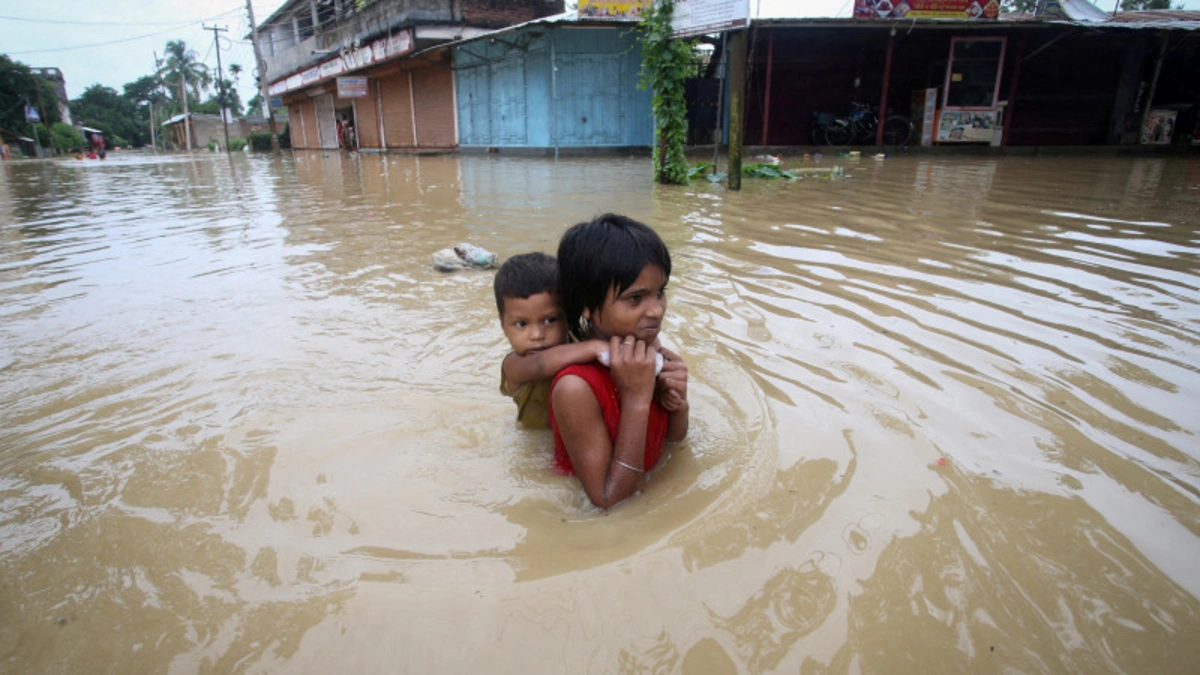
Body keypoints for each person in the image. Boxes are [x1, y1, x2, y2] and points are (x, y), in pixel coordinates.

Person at [550, 214, 689, 510]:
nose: (656, 310)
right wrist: (637, 399)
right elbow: (609, 502)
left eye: (660, 293)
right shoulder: (575, 387)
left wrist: (679, 403)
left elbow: (672, 444)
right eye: (635, 298)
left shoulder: (648, 349)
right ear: (587, 306)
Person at [494, 252, 609, 428]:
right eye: (521, 324)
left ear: (569, 316)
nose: (537, 335)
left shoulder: (577, 342)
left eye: (549, 320)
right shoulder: (514, 365)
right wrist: (595, 347)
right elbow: (540, 364)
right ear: (503, 325)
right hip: (535, 438)